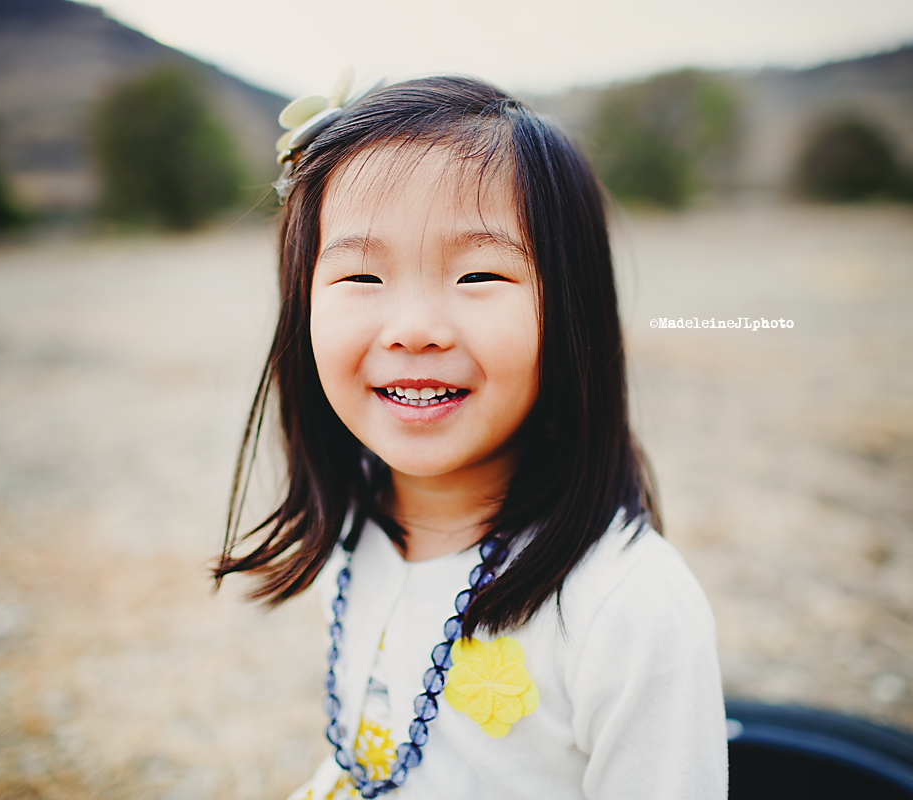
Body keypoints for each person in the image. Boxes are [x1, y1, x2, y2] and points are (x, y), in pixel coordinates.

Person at [215, 74, 728, 800]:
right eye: (362, 275)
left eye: (479, 273)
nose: (415, 329)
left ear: (570, 312)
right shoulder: (360, 525)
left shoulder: (627, 611)